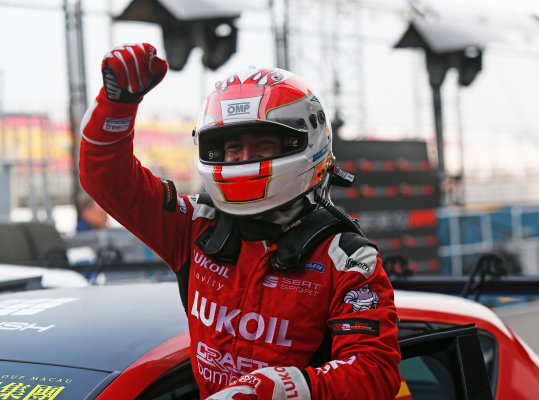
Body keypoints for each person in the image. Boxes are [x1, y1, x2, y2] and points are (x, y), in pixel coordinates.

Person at [79, 43, 402, 399]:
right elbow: (107, 181)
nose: (244, 158)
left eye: (263, 144)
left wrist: (281, 389)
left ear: (305, 143)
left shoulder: (346, 257)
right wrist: (118, 105)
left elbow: (375, 372)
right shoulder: (194, 226)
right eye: (232, 149)